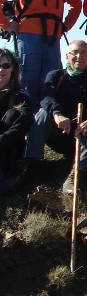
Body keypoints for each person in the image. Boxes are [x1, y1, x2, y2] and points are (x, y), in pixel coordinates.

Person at [0, 0, 83, 107]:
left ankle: (48, 120)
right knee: (28, 79)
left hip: (53, 38)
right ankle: (25, 118)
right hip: (28, 38)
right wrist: (5, 25)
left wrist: (65, 26)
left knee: (52, 79)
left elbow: (76, 3)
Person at [25, 40, 87, 194]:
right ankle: (31, 165)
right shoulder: (55, 76)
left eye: (84, 53)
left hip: (83, 135)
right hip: (60, 132)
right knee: (43, 114)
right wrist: (57, 114)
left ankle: (83, 172)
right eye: (74, 52)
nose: (79, 56)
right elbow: (46, 96)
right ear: (67, 56)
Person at [0, 50, 34, 194]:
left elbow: (24, 123)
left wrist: (1, 139)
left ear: (13, 67)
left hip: (8, 147)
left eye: (5, 65)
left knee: (13, 114)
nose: (1, 70)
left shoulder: (20, 95)